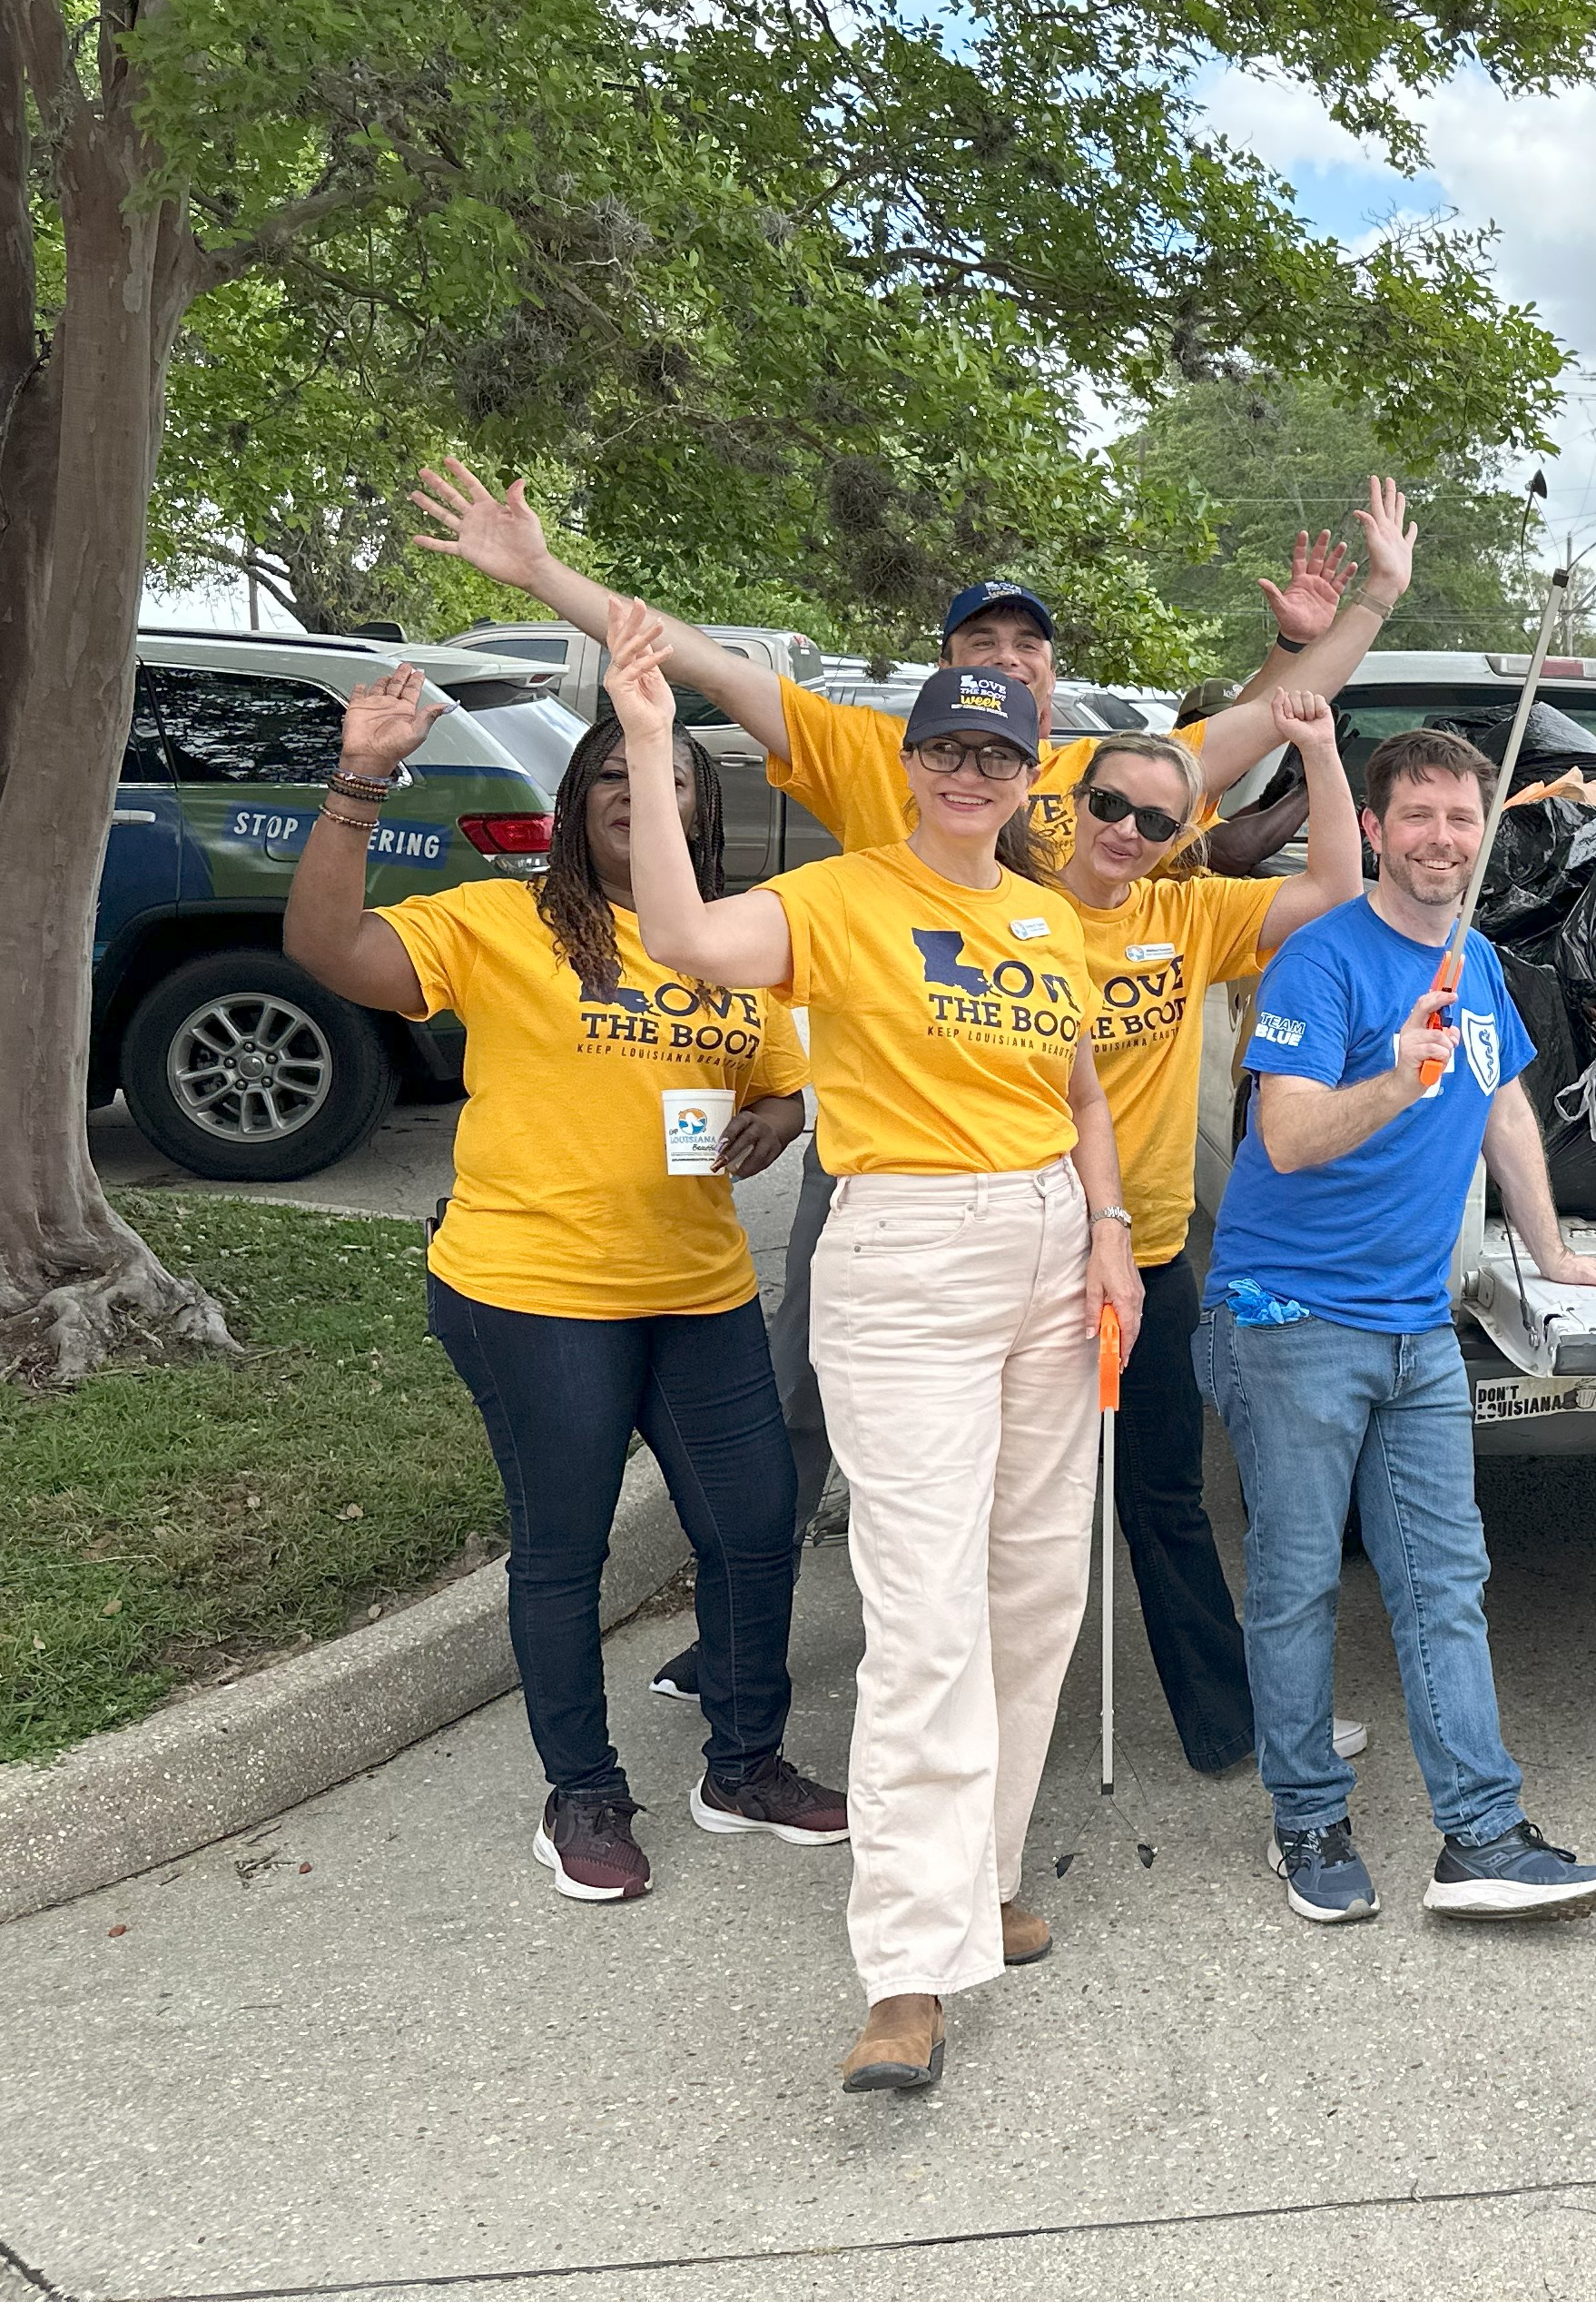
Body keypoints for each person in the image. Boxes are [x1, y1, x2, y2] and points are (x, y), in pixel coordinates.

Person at [412, 456, 1418, 1697]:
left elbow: (1291, 717)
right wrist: (544, 573)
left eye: (1027, 644)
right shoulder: (882, 754)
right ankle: (748, 1646)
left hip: (1057, 1184)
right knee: (798, 1405)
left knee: (1037, 1477)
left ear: (1049, 684)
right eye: (979, 639)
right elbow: (704, 663)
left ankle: (992, 1694)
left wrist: (1364, 607)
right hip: (892, 1168)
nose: (1005, 664)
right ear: (940, 675)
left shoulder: (1116, 779)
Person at [604, 602, 1142, 2097]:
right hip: (905, 1256)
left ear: (1029, 774)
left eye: (996, 749)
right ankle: (907, 1969)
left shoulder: (1047, 919)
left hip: (1049, 1243)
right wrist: (653, 747)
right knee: (921, 1611)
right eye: (948, 748)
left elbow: (1085, 1091)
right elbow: (683, 936)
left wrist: (1105, 1227)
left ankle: (983, 1874)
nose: (970, 771)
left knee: (1036, 1586)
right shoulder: (840, 892)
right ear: (909, 763)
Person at [285, 672, 841, 1902]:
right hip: (533, 1289)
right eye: (615, 777)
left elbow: (779, 1076)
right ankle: (582, 1791)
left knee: (754, 1529)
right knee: (564, 1546)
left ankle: (744, 1764)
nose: (644, 795)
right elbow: (331, 949)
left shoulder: (733, 940)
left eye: (671, 778)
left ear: (697, 809)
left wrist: (779, 1114)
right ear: (580, 804)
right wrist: (358, 782)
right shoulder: (504, 921)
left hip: (695, 1286)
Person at [1203, 726, 1596, 1928]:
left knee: (1446, 1579)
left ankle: (1482, 1835)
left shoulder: (1479, 959)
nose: (1443, 839)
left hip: (1415, 1325)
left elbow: (1503, 1105)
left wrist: (1552, 1253)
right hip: (1290, 1321)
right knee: (1297, 1583)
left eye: (1463, 818)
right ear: (1378, 831)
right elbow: (1286, 1140)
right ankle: (1305, 1819)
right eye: (1420, 818)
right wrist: (1397, 1077)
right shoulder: (1320, 962)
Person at [1053, 703, 1366, 1777]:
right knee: (1014, 1508)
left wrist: (1321, 752)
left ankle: (1231, 1728)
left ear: (1179, 836)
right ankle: (981, 1745)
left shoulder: (1186, 915)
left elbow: (1333, 888)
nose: (1126, 833)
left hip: (1144, 1252)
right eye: (1107, 805)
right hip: (1022, 1246)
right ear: (1069, 801)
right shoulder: (1002, 916)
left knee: (1167, 1496)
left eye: (1153, 820)